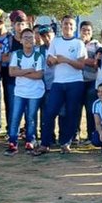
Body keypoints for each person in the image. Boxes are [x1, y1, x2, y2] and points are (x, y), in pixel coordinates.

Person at [34, 15, 86, 155]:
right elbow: (50, 60)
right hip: (58, 82)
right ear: (61, 26)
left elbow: (81, 65)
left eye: (70, 24)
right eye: (65, 24)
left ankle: (65, 143)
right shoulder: (55, 42)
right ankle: (45, 143)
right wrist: (53, 61)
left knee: (71, 114)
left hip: (75, 82)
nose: (67, 27)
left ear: (74, 27)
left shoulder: (78, 43)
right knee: (50, 112)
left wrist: (66, 60)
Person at [5, 28, 45, 156]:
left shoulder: (39, 56)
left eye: (31, 37)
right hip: (20, 92)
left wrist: (21, 71)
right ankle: (12, 141)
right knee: (15, 117)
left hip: (35, 92)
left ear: (35, 40)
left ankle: (30, 140)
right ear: (21, 40)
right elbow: (11, 72)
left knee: (31, 118)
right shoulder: (16, 54)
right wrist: (29, 70)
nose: (28, 40)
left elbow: (39, 75)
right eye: (26, 37)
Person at [79, 20, 100, 146]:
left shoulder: (97, 45)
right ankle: (75, 134)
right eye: (83, 30)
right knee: (75, 109)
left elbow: (96, 63)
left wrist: (82, 60)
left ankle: (90, 134)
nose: (86, 32)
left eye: (88, 30)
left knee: (90, 109)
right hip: (77, 80)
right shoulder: (76, 43)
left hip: (92, 81)